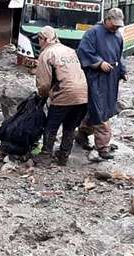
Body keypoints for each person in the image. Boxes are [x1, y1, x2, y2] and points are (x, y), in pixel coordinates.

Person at [75, 8, 127, 160]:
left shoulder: (118, 36)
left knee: (99, 108)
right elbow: (83, 51)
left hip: (111, 78)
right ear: (108, 19)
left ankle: (82, 134)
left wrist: (123, 71)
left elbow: (119, 56)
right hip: (95, 77)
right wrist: (98, 63)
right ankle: (103, 147)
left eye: (118, 25)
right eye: (114, 24)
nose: (116, 27)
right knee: (100, 109)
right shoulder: (93, 33)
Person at [34, 26, 88, 166]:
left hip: (64, 93)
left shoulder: (47, 54)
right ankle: (63, 156)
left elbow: (44, 84)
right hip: (83, 95)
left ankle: (45, 156)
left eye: (39, 39)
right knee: (69, 127)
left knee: (51, 127)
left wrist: (42, 97)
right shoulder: (69, 50)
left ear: (45, 39)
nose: (38, 42)